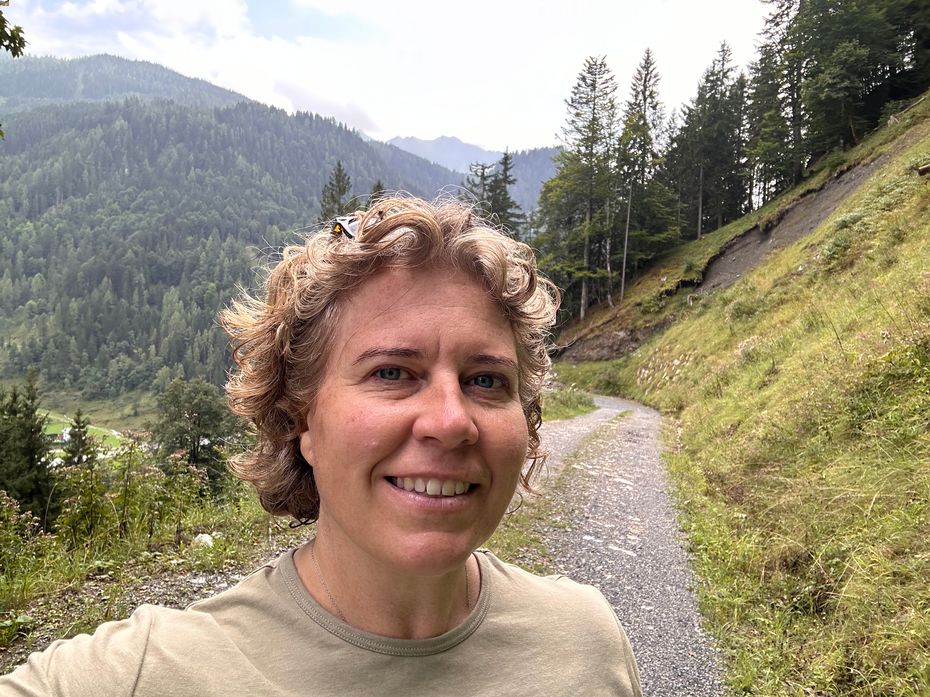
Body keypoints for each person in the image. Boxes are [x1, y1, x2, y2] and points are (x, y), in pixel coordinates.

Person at [1, 195, 642, 696]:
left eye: (485, 380)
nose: (451, 422)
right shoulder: (151, 673)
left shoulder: (586, 641)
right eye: (393, 372)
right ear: (299, 416)